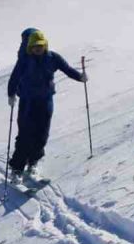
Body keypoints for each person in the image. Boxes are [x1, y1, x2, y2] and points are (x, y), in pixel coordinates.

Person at [7, 28, 86, 184]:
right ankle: (17, 169)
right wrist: (11, 94)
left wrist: (80, 77)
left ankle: (33, 164)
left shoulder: (52, 58)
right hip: (27, 102)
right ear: (30, 46)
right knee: (25, 134)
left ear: (45, 45)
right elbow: (14, 77)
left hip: (45, 100)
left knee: (42, 134)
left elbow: (67, 69)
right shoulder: (24, 60)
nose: (38, 48)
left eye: (41, 45)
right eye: (35, 45)